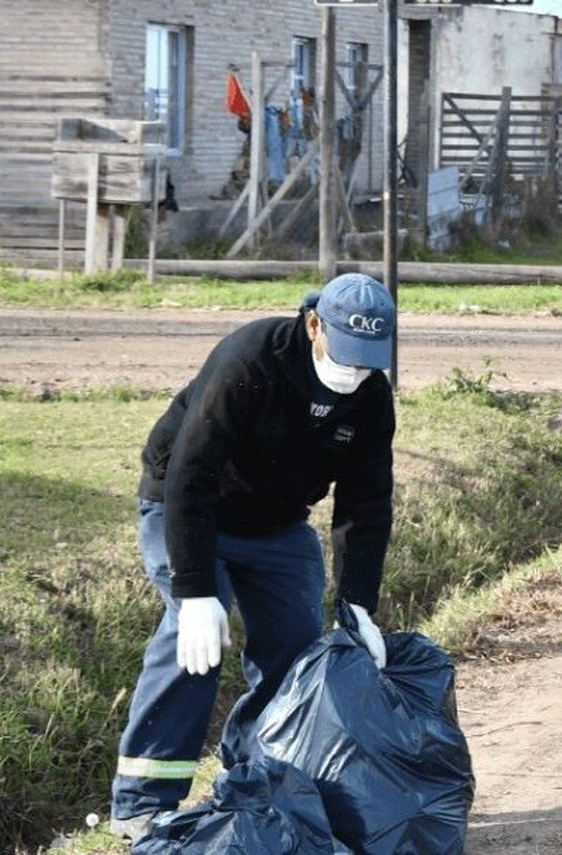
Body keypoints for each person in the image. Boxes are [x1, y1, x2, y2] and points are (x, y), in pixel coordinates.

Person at [109, 273, 398, 841]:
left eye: (368, 362)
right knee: (194, 645)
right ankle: (142, 803)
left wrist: (359, 601)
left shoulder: (369, 396)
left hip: (277, 524)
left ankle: (254, 777)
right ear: (314, 324)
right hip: (188, 510)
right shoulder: (251, 361)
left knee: (295, 650)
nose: (355, 374)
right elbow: (189, 476)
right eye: (348, 357)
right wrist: (194, 591)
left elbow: (366, 502)